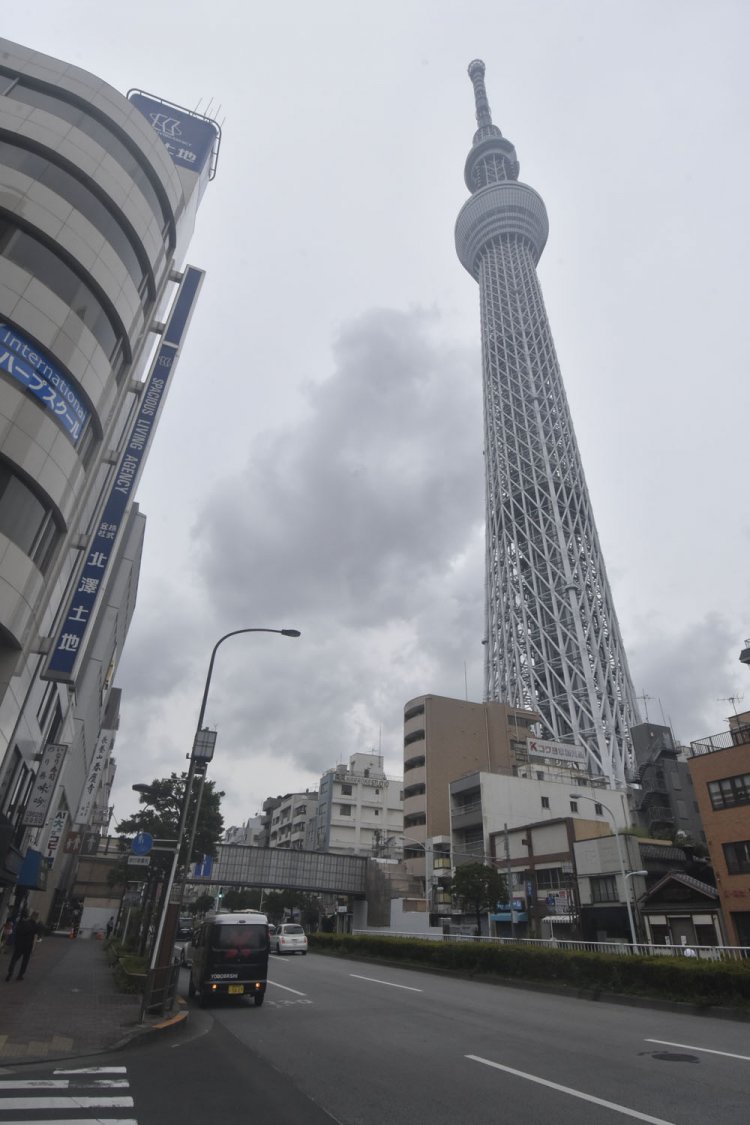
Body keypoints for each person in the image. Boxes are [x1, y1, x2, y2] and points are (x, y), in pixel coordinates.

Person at [5, 911, 42, 982]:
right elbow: (36, 936)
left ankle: (10, 973)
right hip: (28, 946)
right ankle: (20, 975)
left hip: (19, 944)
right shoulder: (35, 925)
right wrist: (33, 948)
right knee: (25, 961)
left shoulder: (23, 922)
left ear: (31, 916)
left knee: (14, 959)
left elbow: (17, 931)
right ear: (36, 917)